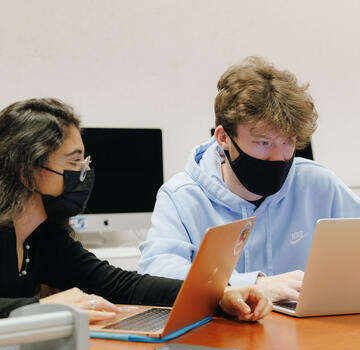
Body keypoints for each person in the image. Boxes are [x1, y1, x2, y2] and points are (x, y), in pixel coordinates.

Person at [0, 98, 272, 323]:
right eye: (74, 163)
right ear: (27, 172)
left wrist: (220, 294)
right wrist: (42, 308)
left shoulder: (42, 239)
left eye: (85, 162)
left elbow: (123, 285)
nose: (84, 173)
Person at [138, 56, 360, 302]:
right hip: (220, 336)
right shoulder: (182, 196)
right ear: (223, 138)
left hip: (308, 335)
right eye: (263, 143)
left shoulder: (318, 183)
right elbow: (155, 273)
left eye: (288, 142)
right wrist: (252, 285)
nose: (278, 157)